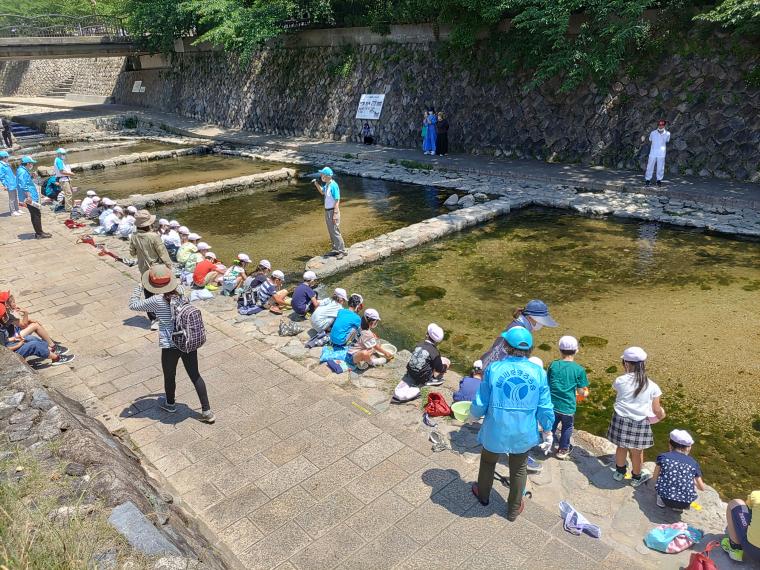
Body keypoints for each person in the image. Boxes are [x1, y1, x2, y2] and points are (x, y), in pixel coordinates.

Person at [469, 326, 554, 521]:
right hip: (523, 431)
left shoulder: (494, 369)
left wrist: (473, 415)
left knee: (488, 461)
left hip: (496, 428)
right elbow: (545, 406)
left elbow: (481, 401)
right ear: (530, 349)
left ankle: (483, 496)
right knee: (519, 468)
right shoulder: (538, 373)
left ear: (506, 346)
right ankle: (514, 508)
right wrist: (547, 430)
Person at [128, 265, 215, 424]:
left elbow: (133, 305)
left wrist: (139, 286)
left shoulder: (156, 300)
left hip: (170, 345)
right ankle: (207, 411)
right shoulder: (181, 290)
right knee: (195, 375)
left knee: (170, 375)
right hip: (188, 339)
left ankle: (170, 404)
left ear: (153, 285)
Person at [608, 346, 666, 486]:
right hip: (639, 422)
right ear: (643, 364)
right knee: (637, 452)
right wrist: (661, 415)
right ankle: (636, 477)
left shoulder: (620, 380)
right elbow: (656, 409)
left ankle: (619, 472)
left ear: (626, 364)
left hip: (620, 419)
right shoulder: (652, 386)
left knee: (621, 447)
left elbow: (620, 393)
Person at [481, 300, 558, 369]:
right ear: (531, 317)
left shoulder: (518, 324)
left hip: (487, 363)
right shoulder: (520, 334)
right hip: (494, 369)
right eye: (541, 321)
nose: (542, 325)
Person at [547, 335, 589, 460]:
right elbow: (581, 391)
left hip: (552, 404)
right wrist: (585, 394)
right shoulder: (579, 370)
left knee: (551, 425)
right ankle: (563, 449)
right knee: (567, 427)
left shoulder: (553, 365)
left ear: (560, 350)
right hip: (568, 407)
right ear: (577, 350)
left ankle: (548, 444)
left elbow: (548, 383)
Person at [129, 209, 172, 330]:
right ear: (149, 224)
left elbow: (132, 253)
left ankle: (153, 319)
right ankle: (166, 316)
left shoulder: (134, 236)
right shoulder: (154, 236)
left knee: (148, 293)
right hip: (158, 268)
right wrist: (169, 266)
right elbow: (163, 253)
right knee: (163, 291)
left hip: (144, 269)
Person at [1, 303, 73, 366]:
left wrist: (14, 338)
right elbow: (4, 349)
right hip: (10, 353)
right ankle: (57, 359)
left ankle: (51, 350)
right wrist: (19, 345)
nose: (6, 314)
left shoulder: (2, 325)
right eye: (4, 314)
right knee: (34, 345)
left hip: (10, 345)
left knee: (30, 338)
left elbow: (5, 340)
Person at [652, 429, 705, 511]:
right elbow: (702, 488)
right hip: (685, 503)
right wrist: (692, 482)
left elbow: (654, 478)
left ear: (670, 444)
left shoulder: (663, 457)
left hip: (665, 498)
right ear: (688, 448)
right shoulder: (693, 463)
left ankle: (661, 501)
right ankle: (678, 507)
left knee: (662, 478)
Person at [312, 167, 347, 259]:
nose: (321, 176)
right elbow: (322, 192)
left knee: (335, 231)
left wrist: (335, 213)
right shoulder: (327, 184)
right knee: (331, 231)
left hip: (333, 211)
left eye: (322, 174)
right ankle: (335, 249)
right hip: (327, 211)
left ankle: (342, 251)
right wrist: (316, 184)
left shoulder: (333, 185)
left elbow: (337, 199)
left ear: (327, 176)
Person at [405, 323, 450, 387]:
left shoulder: (419, 344)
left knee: (428, 359)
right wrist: (445, 367)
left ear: (427, 335)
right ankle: (430, 379)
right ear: (438, 341)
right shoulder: (435, 352)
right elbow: (439, 369)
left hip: (410, 371)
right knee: (445, 361)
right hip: (421, 378)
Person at [16, 156, 50, 239]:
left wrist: (31, 176)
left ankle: (39, 232)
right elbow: (23, 185)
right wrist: (28, 196)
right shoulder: (22, 172)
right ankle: (39, 234)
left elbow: (25, 181)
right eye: (31, 163)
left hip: (30, 196)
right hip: (29, 197)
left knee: (35, 213)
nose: (32, 165)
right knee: (36, 214)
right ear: (27, 164)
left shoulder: (22, 170)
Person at [722, 491, 760, 563]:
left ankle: (735, 548)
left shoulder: (757, 495)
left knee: (736, 503)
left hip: (754, 551)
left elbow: (747, 510)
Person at [645, 119, 670, 186]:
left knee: (660, 167)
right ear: (658, 125)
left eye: (662, 124)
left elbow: (667, 141)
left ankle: (659, 180)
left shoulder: (667, 133)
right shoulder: (653, 133)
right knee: (649, 166)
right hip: (653, 152)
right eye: (659, 124)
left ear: (664, 125)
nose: (660, 126)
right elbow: (650, 139)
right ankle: (648, 179)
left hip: (661, 153)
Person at [53, 148, 75, 213]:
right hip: (64, 179)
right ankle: (68, 208)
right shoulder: (59, 160)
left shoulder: (58, 160)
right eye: (63, 154)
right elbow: (62, 171)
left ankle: (71, 205)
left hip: (64, 179)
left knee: (70, 192)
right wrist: (71, 174)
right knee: (68, 194)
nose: (64, 155)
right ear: (59, 154)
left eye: (64, 154)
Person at [0, 150, 20, 216]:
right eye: (7, 157)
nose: (8, 158)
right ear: (3, 157)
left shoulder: (7, 164)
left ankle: (17, 209)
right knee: (12, 198)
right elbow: (1, 177)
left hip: (13, 182)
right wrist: (5, 185)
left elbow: (11, 174)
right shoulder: (1, 166)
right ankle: (13, 211)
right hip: (9, 184)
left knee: (15, 196)